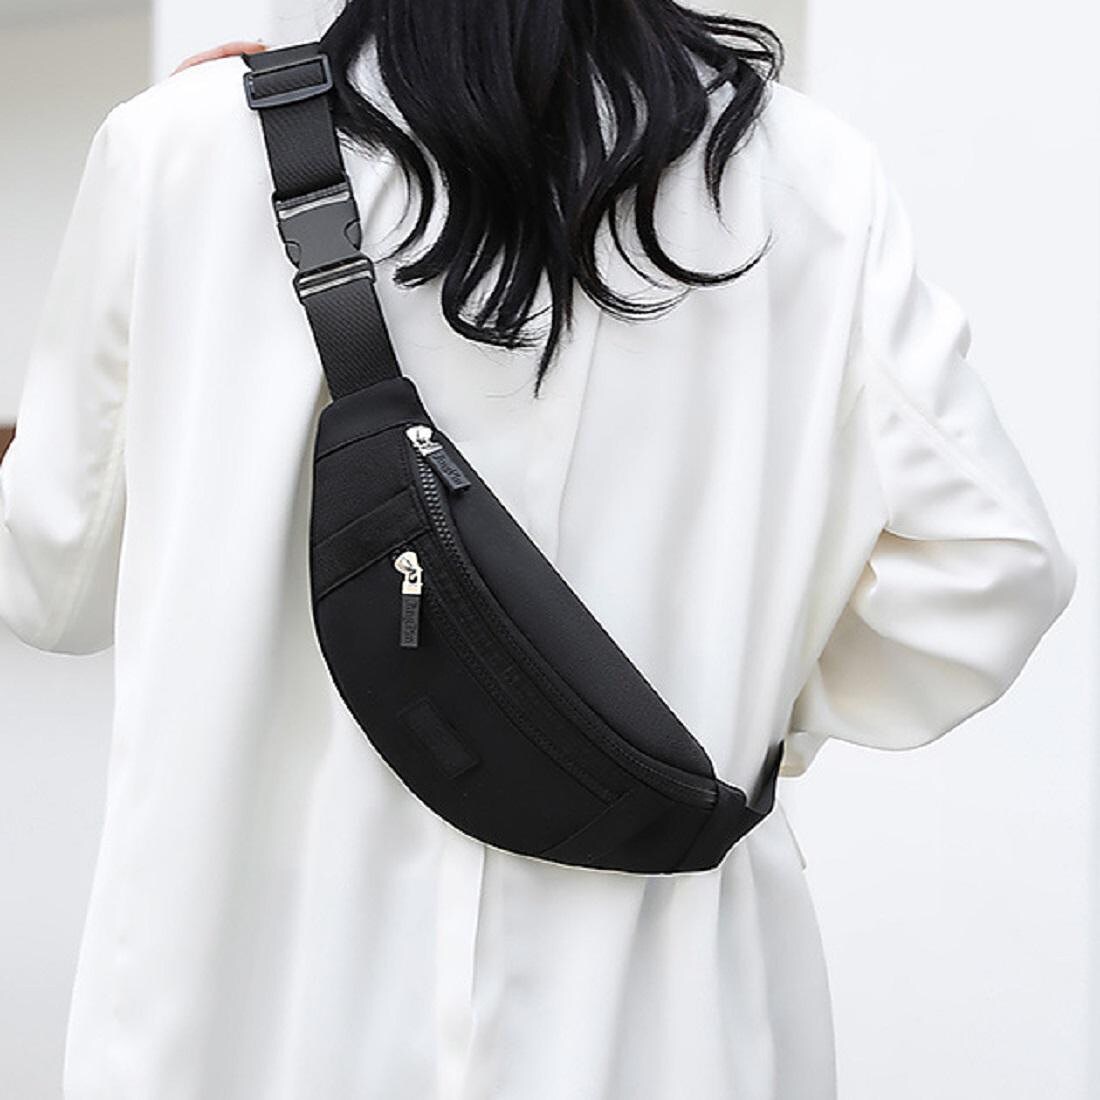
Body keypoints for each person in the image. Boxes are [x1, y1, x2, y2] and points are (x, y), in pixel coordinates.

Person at [0, 4, 1076, 1099]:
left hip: (251, 1015)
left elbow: (49, 585)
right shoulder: (802, 174)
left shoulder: (182, 152)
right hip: (661, 1012)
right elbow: (993, 569)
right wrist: (725, 701)